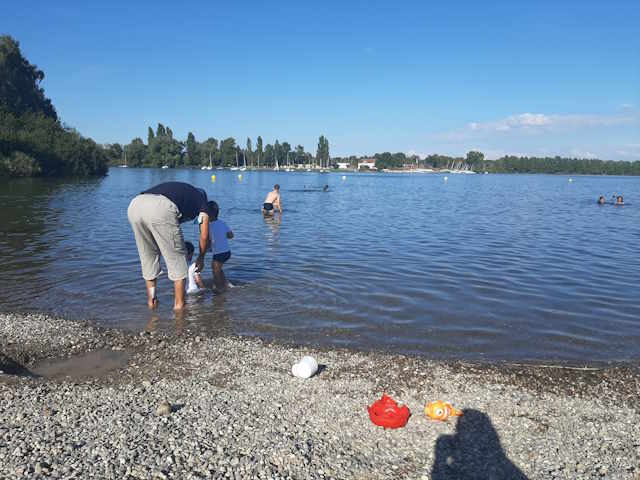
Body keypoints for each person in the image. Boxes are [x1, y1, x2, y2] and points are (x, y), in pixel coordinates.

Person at [127, 182, 216, 311]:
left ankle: (152, 301)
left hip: (135, 205)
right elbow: (204, 235)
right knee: (178, 260)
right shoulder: (202, 202)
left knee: (148, 256)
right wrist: (201, 258)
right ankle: (179, 306)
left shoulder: (183, 193)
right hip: (160, 208)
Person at [208, 202, 234, 291]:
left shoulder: (209, 226)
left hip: (219, 253)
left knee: (215, 272)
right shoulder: (222, 223)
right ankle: (226, 283)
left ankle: (219, 289)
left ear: (209, 214)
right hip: (227, 252)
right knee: (217, 268)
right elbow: (231, 235)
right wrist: (222, 236)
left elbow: (207, 239)